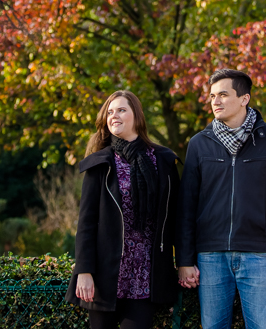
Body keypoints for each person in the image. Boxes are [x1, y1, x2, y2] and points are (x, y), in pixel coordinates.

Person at [176, 69, 266, 329]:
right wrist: (185, 260)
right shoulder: (199, 144)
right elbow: (186, 207)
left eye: (223, 94)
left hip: (256, 254)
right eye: (212, 96)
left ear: (244, 98)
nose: (215, 101)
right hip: (209, 256)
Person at [66, 90, 181, 329]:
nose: (113, 116)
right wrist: (84, 271)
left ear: (136, 116)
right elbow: (86, 223)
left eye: (121, 110)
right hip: (105, 275)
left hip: (146, 275)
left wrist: (184, 262)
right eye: (109, 112)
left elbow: (176, 219)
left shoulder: (164, 161)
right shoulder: (100, 164)